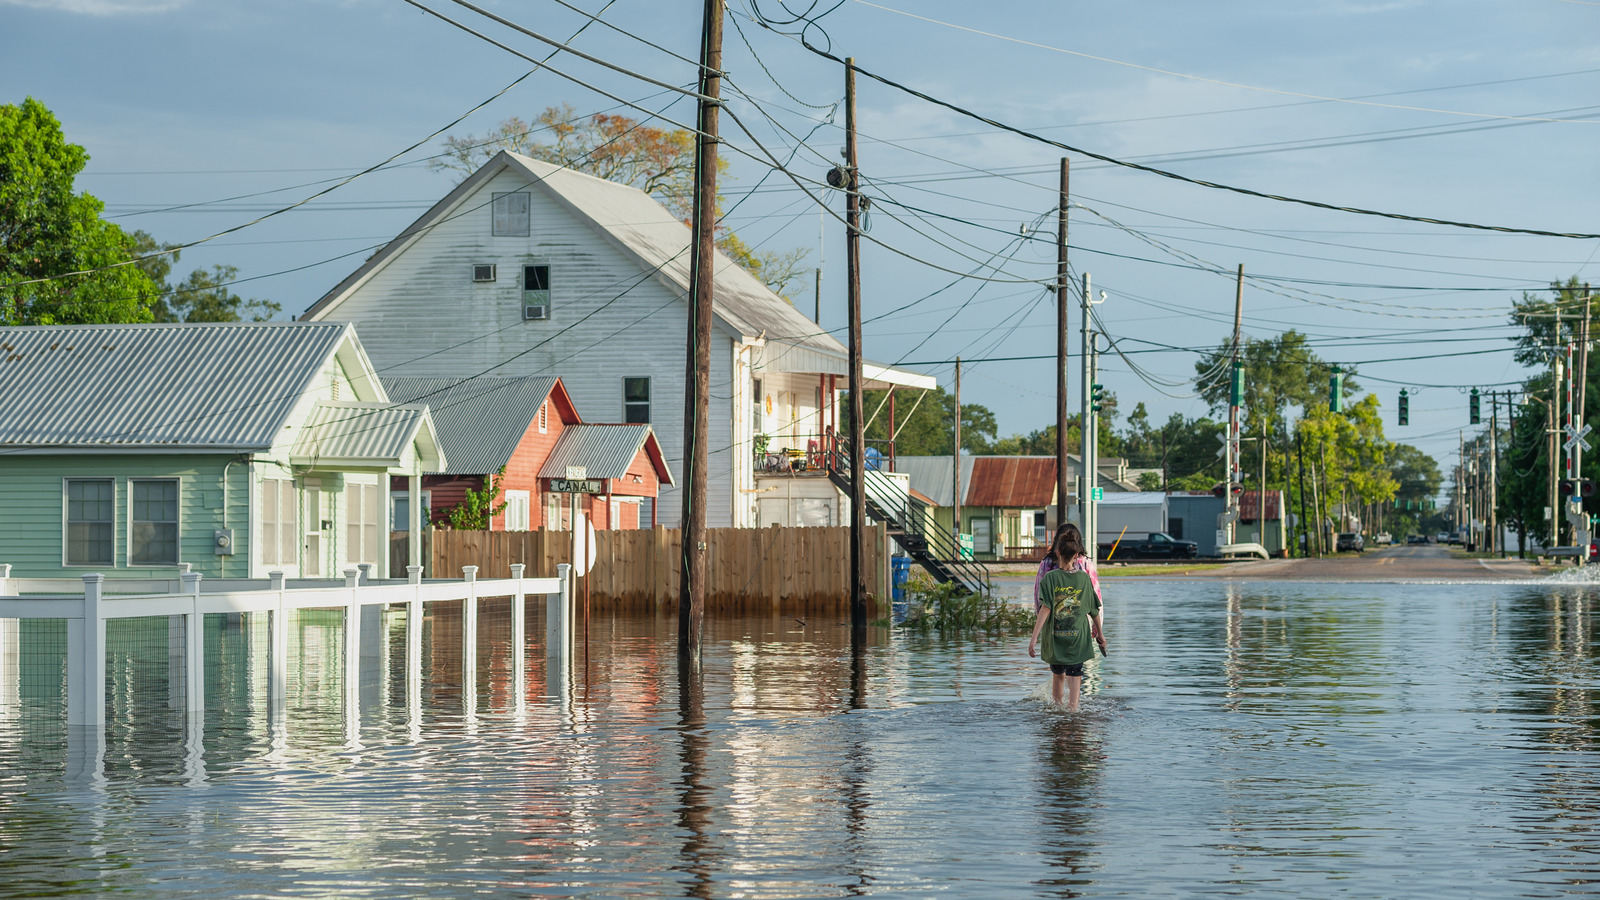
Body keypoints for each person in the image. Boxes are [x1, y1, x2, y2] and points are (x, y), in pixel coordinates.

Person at [1027, 525, 1106, 710]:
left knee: (1058, 672)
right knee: (1076, 672)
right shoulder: (1085, 567)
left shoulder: (1047, 567)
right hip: (1079, 631)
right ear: (1078, 547)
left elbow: (1041, 602)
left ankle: (1057, 712)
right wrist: (1099, 630)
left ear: (1057, 547)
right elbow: (1095, 602)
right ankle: (1073, 710)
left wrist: (1036, 635)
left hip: (1054, 629)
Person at [1033, 523, 1102, 613]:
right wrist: (1097, 626)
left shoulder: (1047, 563)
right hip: (1081, 620)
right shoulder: (1085, 562)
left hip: (1052, 620)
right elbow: (1095, 596)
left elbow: (1039, 594)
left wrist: (1040, 619)